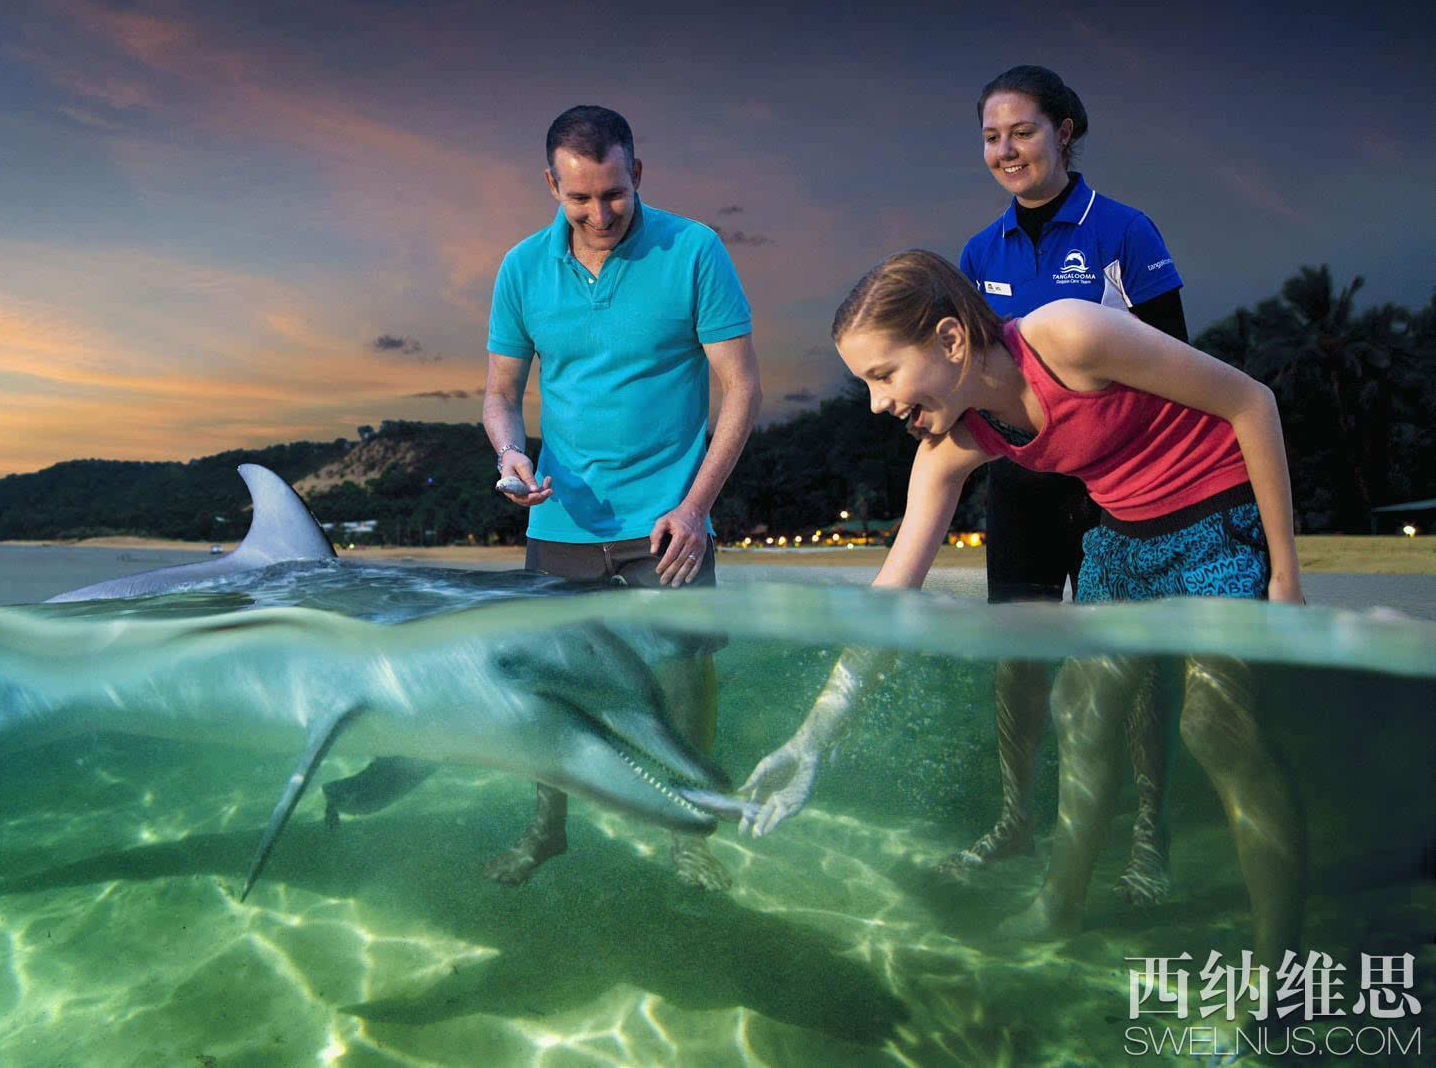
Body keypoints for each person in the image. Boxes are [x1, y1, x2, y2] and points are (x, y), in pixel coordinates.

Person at [739, 250, 1304, 970]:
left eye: (882, 374)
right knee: (1080, 709)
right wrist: (811, 738)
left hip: (1215, 516)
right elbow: (889, 597)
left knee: (1215, 728)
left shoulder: (1066, 334)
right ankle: (1056, 909)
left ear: (949, 340)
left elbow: (1251, 401)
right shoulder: (954, 442)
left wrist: (1283, 571)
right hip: (1121, 538)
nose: (877, 403)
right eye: (866, 384)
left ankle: (1283, 975)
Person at [483, 105, 762, 890]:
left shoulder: (694, 249)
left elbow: (739, 389)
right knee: (549, 687)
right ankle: (546, 826)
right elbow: (500, 394)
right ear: (551, 186)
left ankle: (690, 831)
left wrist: (697, 506)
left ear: (636, 174)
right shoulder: (519, 269)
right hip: (560, 519)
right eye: (579, 198)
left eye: (613, 193)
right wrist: (509, 451)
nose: (599, 213)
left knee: (682, 683)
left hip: (668, 523)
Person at [951, 65, 1193, 903]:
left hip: (1119, 491)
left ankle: (1146, 839)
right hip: (1021, 490)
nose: (1005, 149)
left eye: (1021, 130)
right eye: (990, 136)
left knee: (1127, 667)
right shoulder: (978, 254)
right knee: (1016, 661)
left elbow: (1177, 370)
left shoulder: (1123, 230)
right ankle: (1018, 818)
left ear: (1064, 131)